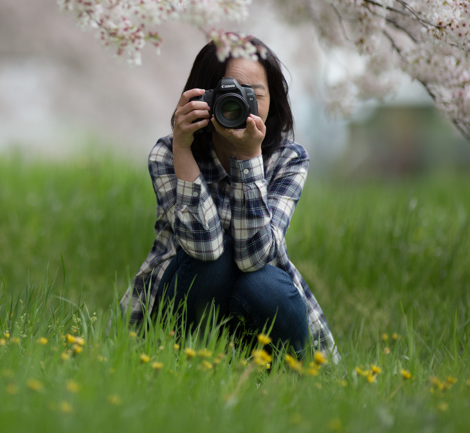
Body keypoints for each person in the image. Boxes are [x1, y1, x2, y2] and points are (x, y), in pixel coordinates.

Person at [118, 36, 339, 362]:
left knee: (265, 284)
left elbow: (256, 256)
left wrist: (249, 157)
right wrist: (183, 149)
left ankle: (284, 377)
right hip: (187, 292)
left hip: (258, 292)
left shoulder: (288, 159)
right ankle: (179, 363)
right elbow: (204, 249)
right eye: (228, 93)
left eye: (254, 95)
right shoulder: (168, 153)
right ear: (202, 95)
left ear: (272, 100)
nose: (239, 104)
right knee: (214, 263)